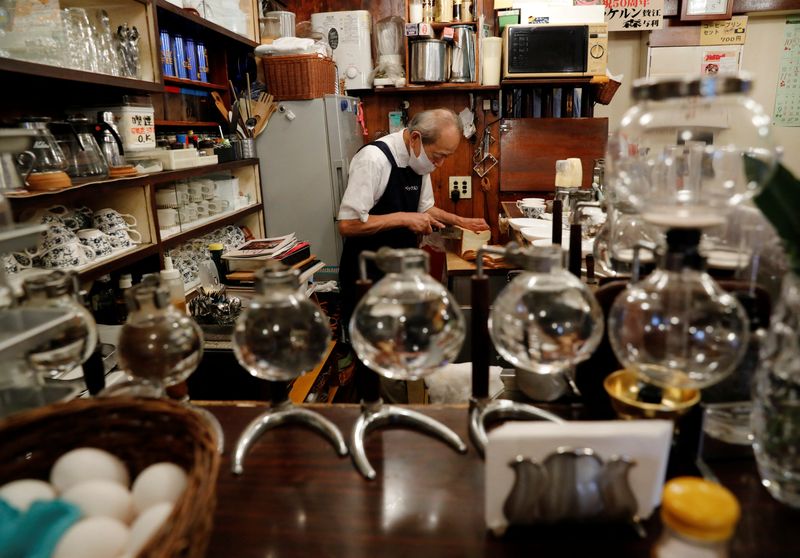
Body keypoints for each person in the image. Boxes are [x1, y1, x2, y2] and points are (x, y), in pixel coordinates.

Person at [337, 108, 489, 328]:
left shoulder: (419, 162)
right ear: (416, 138)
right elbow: (347, 224)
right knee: (376, 353)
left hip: (401, 274)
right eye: (439, 156)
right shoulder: (373, 160)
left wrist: (460, 221)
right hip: (368, 276)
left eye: (446, 157)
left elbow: (425, 208)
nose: (440, 164)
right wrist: (403, 218)